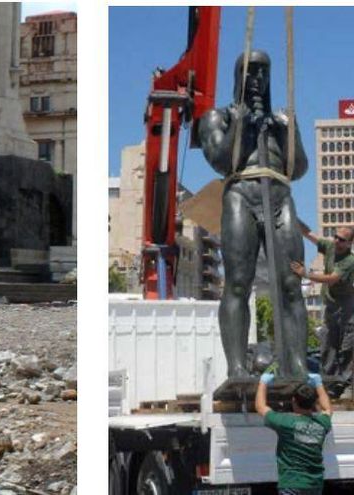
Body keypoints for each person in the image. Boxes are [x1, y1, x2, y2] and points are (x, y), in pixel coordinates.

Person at [198, 50, 308, 379]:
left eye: (263, 72)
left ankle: (297, 365)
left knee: (291, 284)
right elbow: (220, 161)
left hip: (279, 196)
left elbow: (298, 168)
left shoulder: (282, 121)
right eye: (250, 71)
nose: (257, 79)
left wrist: (288, 133)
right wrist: (242, 125)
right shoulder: (218, 117)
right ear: (237, 76)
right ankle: (235, 367)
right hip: (240, 195)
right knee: (237, 284)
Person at [292, 224, 354, 386]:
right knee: (328, 344)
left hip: (347, 307)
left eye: (341, 239)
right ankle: (328, 382)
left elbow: (331, 278)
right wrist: (292, 215)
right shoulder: (330, 247)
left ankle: (346, 384)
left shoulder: (349, 260)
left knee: (346, 347)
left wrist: (306, 274)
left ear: (349, 244)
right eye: (335, 236)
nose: (336, 240)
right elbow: (308, 233)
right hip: (331, 305)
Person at [256, 372, 332, 494]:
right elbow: (327, 409)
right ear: (313, 403)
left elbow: (260, 407)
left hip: (292, 483)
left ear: (293, 401)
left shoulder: (286, 423)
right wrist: (319, 383)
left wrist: (263, 382)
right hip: (315, 484)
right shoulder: (322, 424)